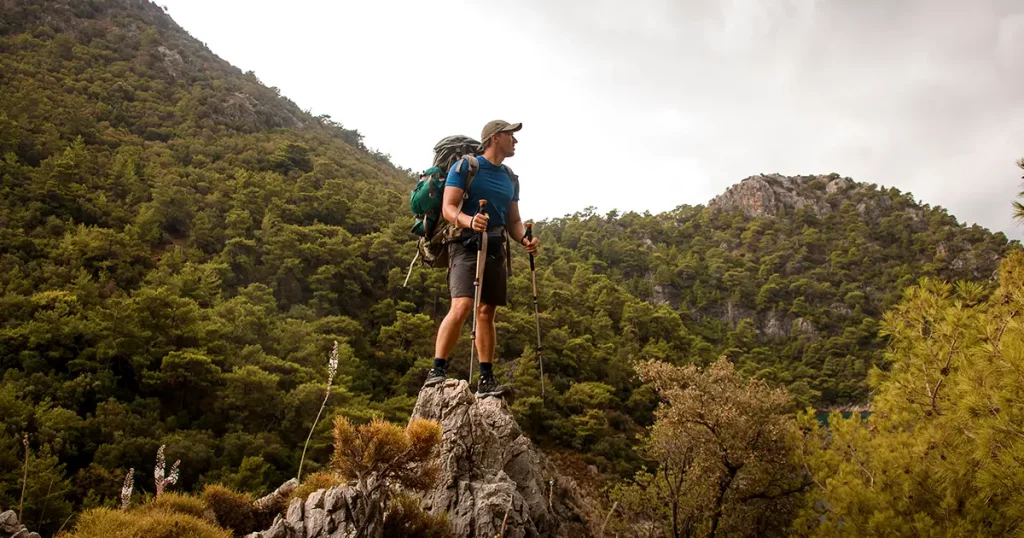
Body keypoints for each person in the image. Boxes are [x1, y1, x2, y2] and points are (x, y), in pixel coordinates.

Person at [423, 120, 540, 396]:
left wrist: (524, 239)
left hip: (496, 246)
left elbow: (514, 220)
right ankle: (437, 370)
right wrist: (469, 220)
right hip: (465, 243)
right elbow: (448, 207)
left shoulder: (511, 178)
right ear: (495, 138)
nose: (516, 141)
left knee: (487, 312)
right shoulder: (466, 167)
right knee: (462, 305)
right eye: (511, 135)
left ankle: (486, 378)